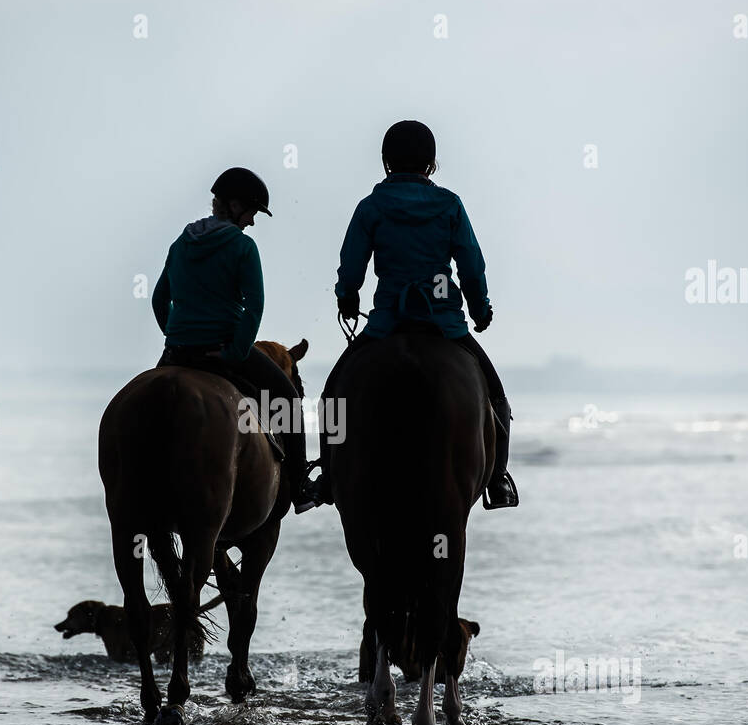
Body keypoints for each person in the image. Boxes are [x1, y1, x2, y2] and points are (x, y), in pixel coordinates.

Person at [314, 120, 519, 509]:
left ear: (387, 162)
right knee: (496, 398)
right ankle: (497, 480)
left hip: (388, 322)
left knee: (332, 398)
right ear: (431, 164)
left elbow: (351, 264)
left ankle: (326, 477)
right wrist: (480, 310)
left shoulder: (371, 207)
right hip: (443, 323)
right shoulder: (450, 205)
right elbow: (472, 267)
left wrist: (347, 298)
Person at [150, 167, 316, 513]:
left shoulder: (181, 243)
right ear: (236, 205)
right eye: (252, 212)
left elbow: (158, 298)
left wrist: (177, 337)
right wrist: (235, 352)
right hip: (223, 350)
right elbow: (254, 306)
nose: (253, 222)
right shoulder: (243, 246)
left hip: (177, 353)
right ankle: (300, 488)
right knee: (287, 399)